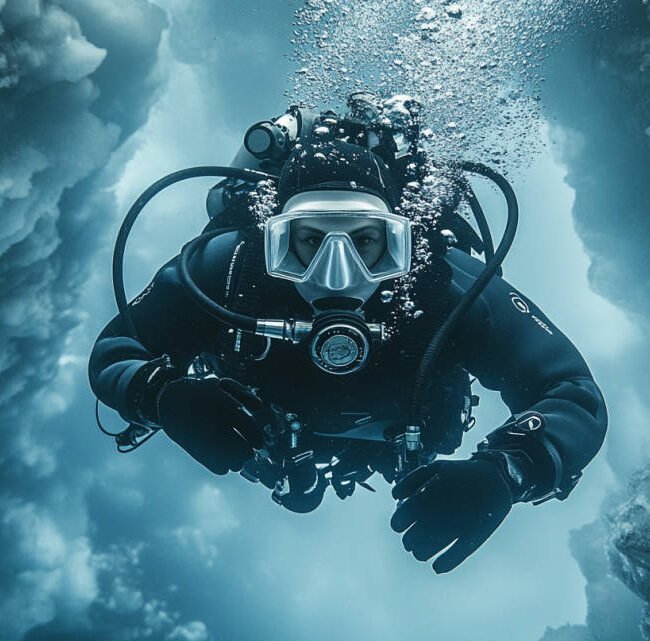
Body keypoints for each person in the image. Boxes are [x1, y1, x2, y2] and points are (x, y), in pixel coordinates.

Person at [89, 119, 607, 573]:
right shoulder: (224, 269)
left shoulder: (446, 285)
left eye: (365, 242)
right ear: (271, 241)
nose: (337, 276)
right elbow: (118, 348)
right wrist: (162, 395)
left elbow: (569, 389)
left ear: (401, 243)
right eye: (309, 241)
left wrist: (507, 470)